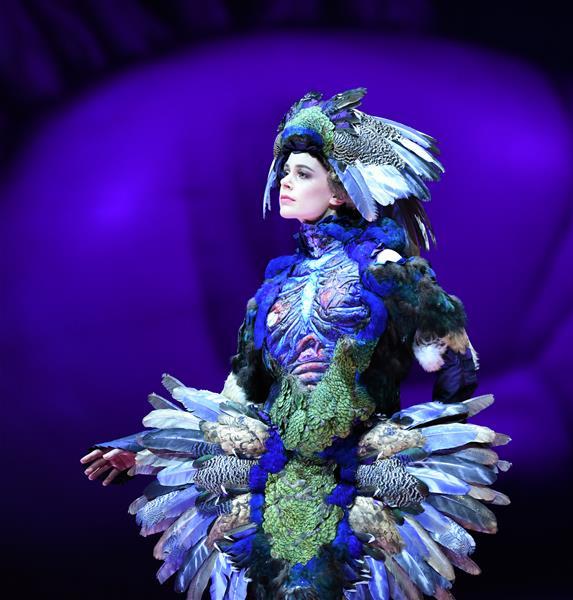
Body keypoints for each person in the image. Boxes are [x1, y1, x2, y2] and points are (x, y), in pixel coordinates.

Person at [80, 88, 509, 600]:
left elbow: (456, 365)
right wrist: (143, 448)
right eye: (285, 172)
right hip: (272, 477)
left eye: (303, 173)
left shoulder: (385, 271)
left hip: (361, 478)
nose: (285, 181)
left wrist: (429, 441)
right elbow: (241, 393)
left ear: (341, 192)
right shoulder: (275, 287)